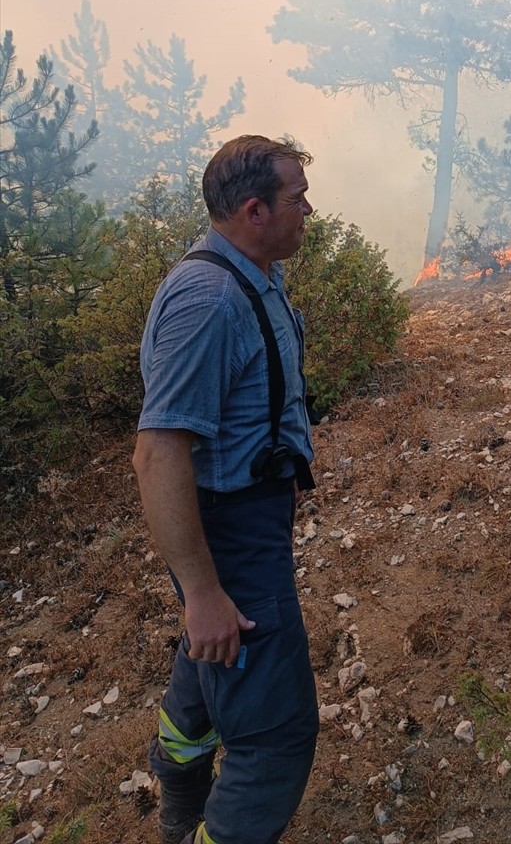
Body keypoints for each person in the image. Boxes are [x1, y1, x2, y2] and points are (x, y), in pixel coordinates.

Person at [133, 135, 320, 844]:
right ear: (254, 210)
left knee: (211, 656)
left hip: (247, 525)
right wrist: (206, 592)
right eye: (297, 196)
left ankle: (179, 798)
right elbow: (157, 454)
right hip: (231, 537)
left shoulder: (253, 269)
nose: (308, 207)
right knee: (276, 737)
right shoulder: (209, 300)